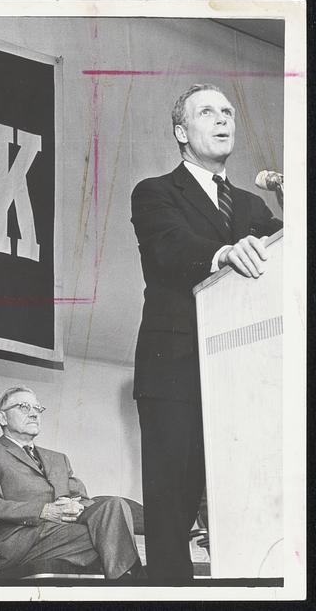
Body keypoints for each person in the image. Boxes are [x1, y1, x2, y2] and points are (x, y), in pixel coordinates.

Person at [130, 83, 283, 581]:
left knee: (247, 494)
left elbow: (285, 253)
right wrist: (222, 254)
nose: (223, 120)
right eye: (207, 112)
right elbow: (170, 247)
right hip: (174, 368)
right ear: (181, 131)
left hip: (245, 371)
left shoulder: (253, 206)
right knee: (173, 503)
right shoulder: (154, 191)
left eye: (228, 112)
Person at [0, 386, 143, 579]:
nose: (34, 414)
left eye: (38, 409)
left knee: (115, 505)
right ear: (2, 418)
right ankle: (137, 587)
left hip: (67, 534)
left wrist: (76, 507)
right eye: (24, 407)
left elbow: (84, 500)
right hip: (23, 541)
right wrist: (43, 510)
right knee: (110, 537)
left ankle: (130, 584)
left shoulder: (58, 459)